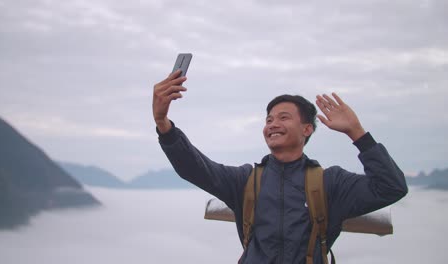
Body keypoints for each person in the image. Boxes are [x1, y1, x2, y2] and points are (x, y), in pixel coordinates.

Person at [152, 69, 408, 263]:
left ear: (307, 129)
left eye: (283, 117)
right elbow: (194, 168)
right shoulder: (246, 180)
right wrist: (163, 123)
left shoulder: (332, 183)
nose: (272, 124)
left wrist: (357, 133)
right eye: (269, 119)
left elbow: (391, 187)